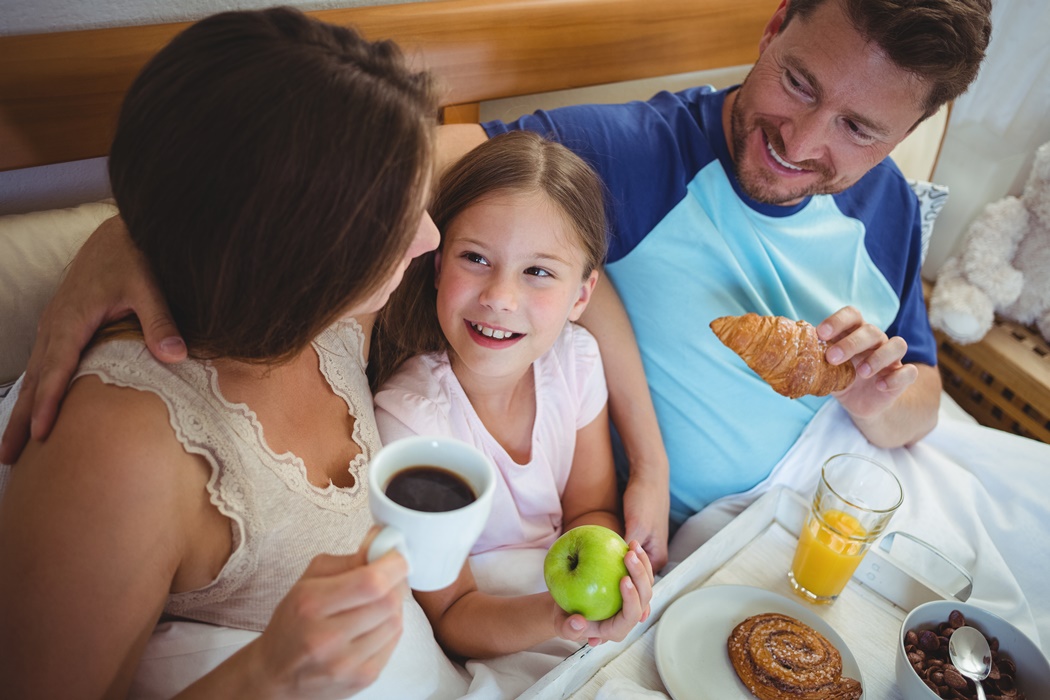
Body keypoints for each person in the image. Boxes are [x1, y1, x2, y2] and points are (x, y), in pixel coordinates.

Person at [0, 0, 994, 562]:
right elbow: (324, 172)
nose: (803, 142)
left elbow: (917, 405)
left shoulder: (892, 208)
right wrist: (132, 233)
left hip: (820, 490)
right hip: (679, 541)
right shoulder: (624, 154)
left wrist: (881, 388)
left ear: (905, 135)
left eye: (860, 130)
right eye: (800, 84)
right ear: (774, 26)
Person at [0, 8, 471, 698]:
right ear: (296, 256)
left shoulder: (327, 316)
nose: (430, 237)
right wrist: (267, 674)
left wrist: (119, 237)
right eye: (396, 225)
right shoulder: (126, 446)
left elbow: (511, 151)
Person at [368, 131, 654, 692]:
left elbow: (591, 509)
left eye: (538, 272)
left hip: (572, 611)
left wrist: (605, 593)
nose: (500, 296)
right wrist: (558, 616)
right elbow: (450, 614)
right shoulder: (411, 419)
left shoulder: (576, 361)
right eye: (475, 258)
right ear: (435, 265)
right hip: (497, 632)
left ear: (581, 296)